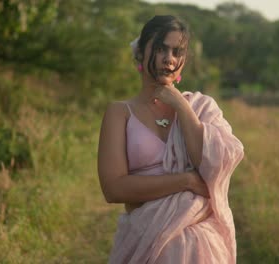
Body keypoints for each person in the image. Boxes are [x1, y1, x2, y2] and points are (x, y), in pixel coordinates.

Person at [97, 15, 244, 263]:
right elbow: (113, 189)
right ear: (140, 54)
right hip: (144, 235)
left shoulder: (200, 108)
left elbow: (208, 160)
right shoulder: (119, 113)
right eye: (160, 49)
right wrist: (185, 180)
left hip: (203, 240)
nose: (169, 58)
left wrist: (179, 104)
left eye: (177, 52)